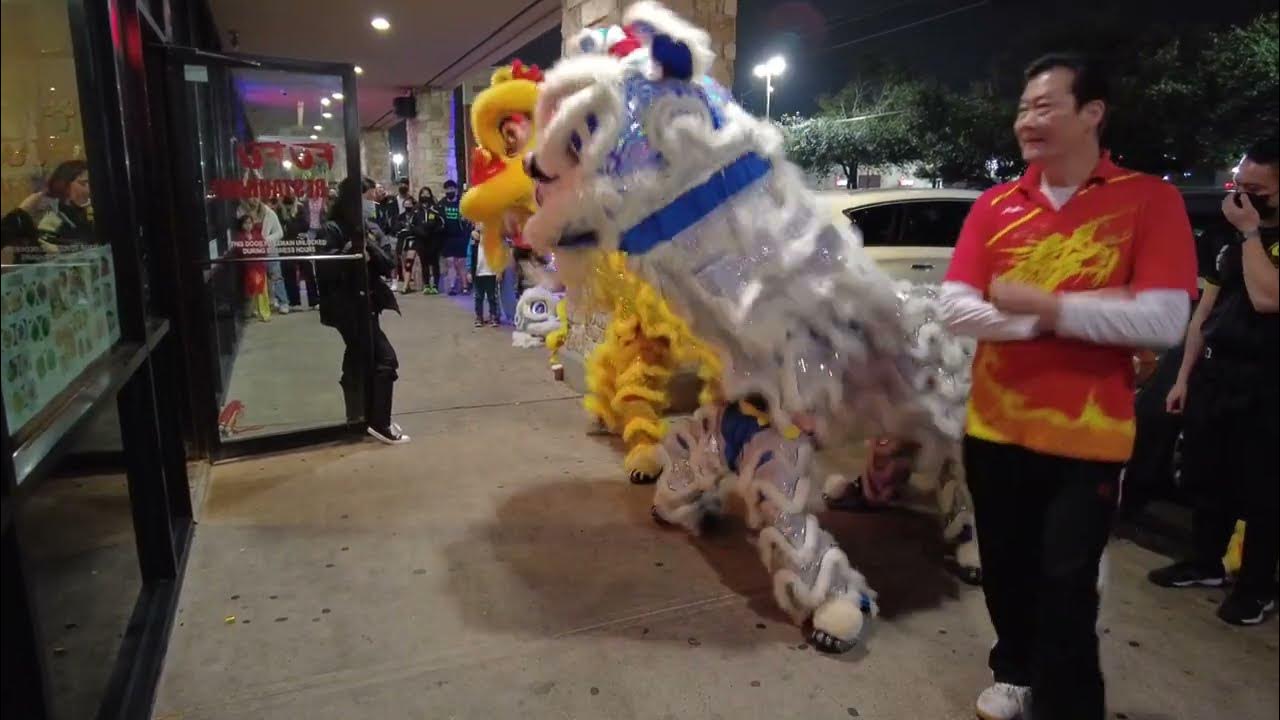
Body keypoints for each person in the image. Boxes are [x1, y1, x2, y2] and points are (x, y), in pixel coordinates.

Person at [938, 54, 1197, 720]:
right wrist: (1092, 308)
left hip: (1088, 440)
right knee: (1005, 570)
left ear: (1092, 114)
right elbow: (956, 309)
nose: (1027, 119)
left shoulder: (1149, 199)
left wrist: (1044, 307)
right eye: (1023, 107)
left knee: (1067, 587)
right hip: (993, 428)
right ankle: (1015, 671)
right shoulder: (996, 205)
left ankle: (1068, 705)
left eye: (1045, 105)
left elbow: (1165, 317)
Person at [1148, 139, 1279, 626]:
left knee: (1264, 489)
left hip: (1267, 381)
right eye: (1239, 186)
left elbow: (1268, 299)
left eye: (1257, 189)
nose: (1243, 197)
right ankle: (1204, 562)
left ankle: (1257, 588)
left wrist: (1251, 235)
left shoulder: (1251, 235)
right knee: (1209, 474)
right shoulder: (1227, 238)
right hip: (1216, 373)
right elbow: (1205, 310)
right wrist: (1183, 376)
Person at [318, 176, 409, 445]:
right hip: (348, 308)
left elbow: (388, 262)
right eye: (368, 198)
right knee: (386, 359)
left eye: (373, 197)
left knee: (356, 361)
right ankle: (379, 423)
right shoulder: (333, 228)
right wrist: (349, 252)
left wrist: (367, 245)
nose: (373, 203)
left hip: (368, 304)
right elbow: (324, 270)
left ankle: (358, 419)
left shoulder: (369, 228)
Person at [278, 194, 319, 310]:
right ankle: (294, 302)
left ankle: (314, 300)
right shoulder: (279, 210)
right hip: (286, 245)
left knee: (307, 271)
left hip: (301, 244)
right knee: (288, 272)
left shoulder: (300, 208)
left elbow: (305, 225)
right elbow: (281, 228)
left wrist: (290, 222)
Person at [231, 213, 270, 322]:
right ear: (242, 225)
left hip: (259, 266)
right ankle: (250, 312)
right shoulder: (239, 237)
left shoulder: (258, 234)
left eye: (250, 223)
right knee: (250, 292)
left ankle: (265, 314)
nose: (248, 225)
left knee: (262, 291)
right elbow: (239, 251)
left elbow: (264, 248)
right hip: (248, 267)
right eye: (246, 223)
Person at [437, 179, 470, 295]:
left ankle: (465, 286)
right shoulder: (441, 204)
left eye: (451, 189)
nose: (449, 191)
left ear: (456, 190)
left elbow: (468, 219)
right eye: (447, 189)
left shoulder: (461, 203)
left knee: (460, 263)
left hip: (460, 236)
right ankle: (452, 286)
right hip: (447, 237)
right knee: (450, 262)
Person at [467, 225, 501, 327]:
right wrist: (469, 270)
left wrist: (499, 270)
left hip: (491, 272)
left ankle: (493, 316)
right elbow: (469, 254)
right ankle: (479, 317)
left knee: (492, 297)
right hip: (477, 273)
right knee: (478, 297)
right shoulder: (473, 238)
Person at [416, 187, 444, 294]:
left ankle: (435, 285)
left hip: (434, 240)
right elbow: (412, 224)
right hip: (421, 241)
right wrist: (420, 231)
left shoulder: (435, 209)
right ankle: (426, 285)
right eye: (423, 193)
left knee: (435, 263)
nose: (425, 196)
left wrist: (434, 230)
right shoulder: (416, 209)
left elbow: (441, 223)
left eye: (427, 194)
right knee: (424, 264)